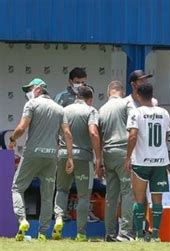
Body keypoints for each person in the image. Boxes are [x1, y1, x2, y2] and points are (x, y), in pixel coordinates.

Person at [9, 78, 74, 241]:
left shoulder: (31, 104)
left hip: (32, 154)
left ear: (38, 89)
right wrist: (70, 157)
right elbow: (67, 133)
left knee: (17, 188)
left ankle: (22, 220)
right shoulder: (60, 109)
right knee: (47, 195)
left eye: (29, 89)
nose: (28, 94)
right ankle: (43, 233)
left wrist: (12, 138)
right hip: (51, 156)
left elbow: (22, 128)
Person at [53, 85, 102, 241]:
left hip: (63, 155)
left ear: (76, 97)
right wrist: (98, 157)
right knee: (83, 196)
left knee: (61, 190)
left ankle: (59, 218)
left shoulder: (64, 110)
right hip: (83, 157)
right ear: (90, 99)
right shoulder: (91, 111)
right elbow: (93, 132)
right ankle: (81, 233)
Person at [125, 83, 170, 242]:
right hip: (159, 161)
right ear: (152, 94)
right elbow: (165, 137)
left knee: (139, 199)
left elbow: (132, 136)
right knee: (158, 200)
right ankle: (156, 235)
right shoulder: (164, 113)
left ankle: (139, 234)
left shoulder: (136, 113)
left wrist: (127, 157)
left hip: (141, 161)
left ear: (137, 95)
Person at [99, 81, 134, 242]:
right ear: (121, 91)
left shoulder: (102, 109)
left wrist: (98, 159)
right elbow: (134, 129)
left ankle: (109, 233)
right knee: (127, 192)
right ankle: (125, 232)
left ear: (109, 93)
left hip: (107, 154)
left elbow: (98, 136)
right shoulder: (127, 103)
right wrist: (130, 156)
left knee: (111, 196)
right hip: (123, 152)